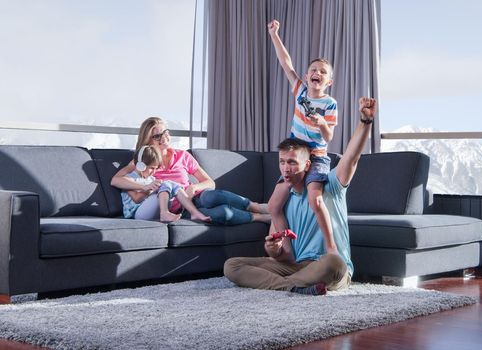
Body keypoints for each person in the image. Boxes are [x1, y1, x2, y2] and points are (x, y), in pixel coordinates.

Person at [224, 97, 377, 295]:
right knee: (232, 265)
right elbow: (280, 256)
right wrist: (273, 248)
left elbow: (352, 157)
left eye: (292, 163)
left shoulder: (329, 185)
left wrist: (365, 122)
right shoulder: (281, 201)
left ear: (307, 165)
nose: (286, 169)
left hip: (326, 266)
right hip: (295, 266)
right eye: (282, 162)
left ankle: (281, 285)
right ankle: (294, 287)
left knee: (334, 262)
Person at [112, 117, 270, 225]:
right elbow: (117, 180)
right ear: (147, 140)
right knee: (222, 213)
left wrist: (194, 187)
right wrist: (144, 187)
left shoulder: (182, 156)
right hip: (179, 209)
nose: (164, 139)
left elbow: (210, 182)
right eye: (157, 136)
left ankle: (254, 206)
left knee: (214, 196)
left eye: (165, 133)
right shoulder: (144, 161)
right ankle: (258, 218)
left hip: (194, 197)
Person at [267, 19, 338, 255]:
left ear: (329, 81)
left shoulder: (329, 103)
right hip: (295, 154)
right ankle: (287, 253)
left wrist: (321, 124)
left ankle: (330, 247)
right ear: (307, 76)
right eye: (313, 70)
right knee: (274, 205)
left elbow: (328, 137)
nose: (317, 73)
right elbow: (286, 64)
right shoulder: (301, 91)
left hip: (316, 156)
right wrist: (275, 35)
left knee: (315, 200)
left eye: (323, 72)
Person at [120, 145, 212, 223]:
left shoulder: (150, 178)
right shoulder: (129, 178)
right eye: (152, 168)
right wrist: (149, 189)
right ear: (141, 165)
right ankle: (164, 214)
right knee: (166, 183)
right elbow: (136, 199)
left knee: (171, 184)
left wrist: (155, 188)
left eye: (156, 169)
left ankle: (194, 212)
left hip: (150, 210)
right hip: (137, 213)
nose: (154, 172)